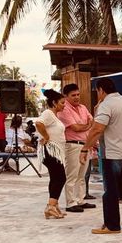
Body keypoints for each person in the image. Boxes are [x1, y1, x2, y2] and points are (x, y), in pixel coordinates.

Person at [81, 78, 122, 235]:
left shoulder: (106, 105)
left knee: (110, 191)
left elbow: (97, 129)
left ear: (101, 90)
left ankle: (112, 225)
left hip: (113, 153)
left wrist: (85, 149)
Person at [57, 83, 96, 214]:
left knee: (82, 175)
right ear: (66, 96)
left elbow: (92, 122)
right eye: (73, 95)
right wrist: (87, 125)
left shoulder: (83, 107)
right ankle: (70, 202)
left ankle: (80, 199)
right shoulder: (64, 109)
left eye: (78, 94)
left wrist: (85, 125)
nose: (77, 97)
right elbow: (75, 127)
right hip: (72, 144)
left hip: (85, 145)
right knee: (72, 175)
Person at [35, 90, 68, 220]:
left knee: (56, 178)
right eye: (62, 103)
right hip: (51, 151)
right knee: (60, 177)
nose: (64, 105)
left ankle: (54, 205)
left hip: (56, 151)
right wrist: (46, 136)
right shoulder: (48, 113)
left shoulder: (54, 116)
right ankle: (51, 206)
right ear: (54, 103)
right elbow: (38, 123)